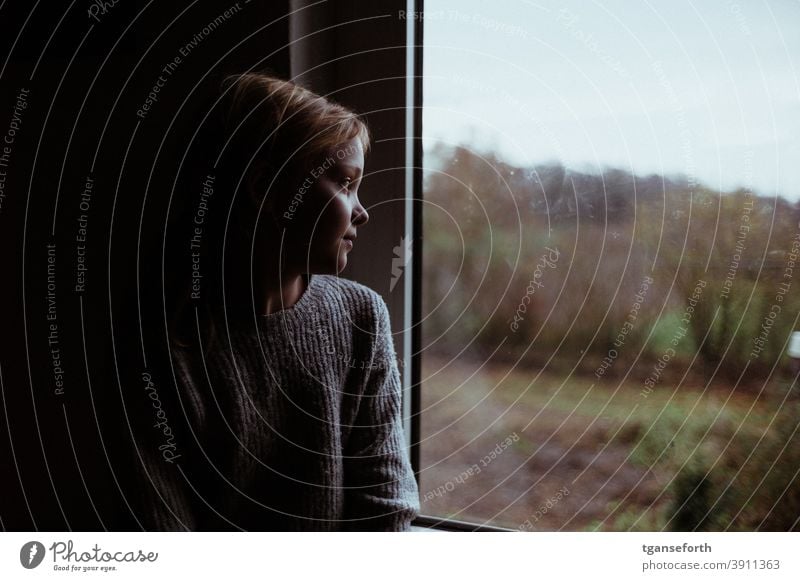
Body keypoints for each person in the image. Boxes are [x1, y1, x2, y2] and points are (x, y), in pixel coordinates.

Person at [129, 72, 419, 531]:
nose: (362, 211)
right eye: (345, 183)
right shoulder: (156, 340)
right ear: (264, 187)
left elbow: (384, 504)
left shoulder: (362, 317)